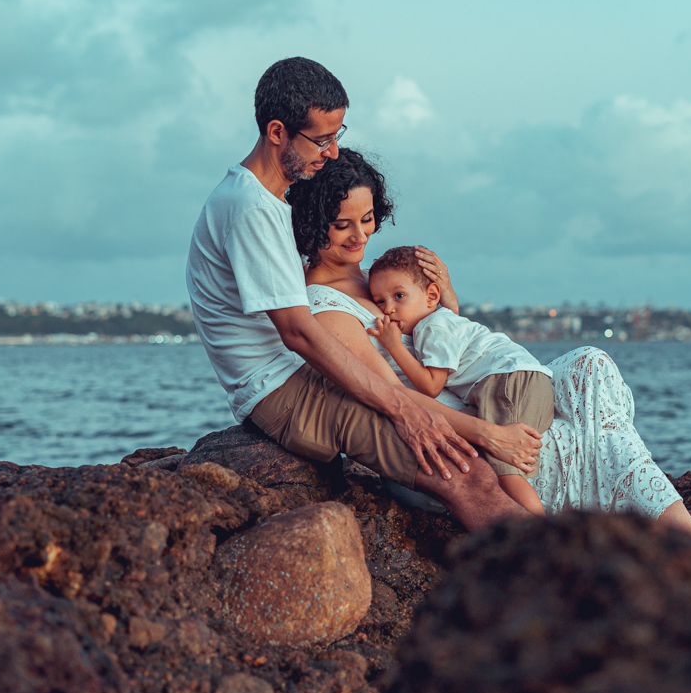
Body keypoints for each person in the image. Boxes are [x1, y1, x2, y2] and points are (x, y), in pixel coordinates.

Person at [286, 148, 691, 553]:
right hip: (453, 446)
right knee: (601, 440)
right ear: (310, 223)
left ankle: (661, 533)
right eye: (342, 224)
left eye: (367, 218)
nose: (359, 235)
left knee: (591, 364)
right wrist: (492, 436)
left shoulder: (379, 280)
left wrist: (448, 304)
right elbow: (389, 401)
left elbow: (448, 347)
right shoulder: (326, 309)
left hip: (481, 407)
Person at [185, 57, 540, 531]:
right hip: (283, 393)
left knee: (462, 458)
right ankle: (555, 586)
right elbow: (299, 334)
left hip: (299, 376)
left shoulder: (263, 201)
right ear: (276, 132)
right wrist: (404, 410)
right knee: (463, 473)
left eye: (338, 135)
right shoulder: (251, 208)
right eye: (322, 139)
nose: (332, 153)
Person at [365, 246, 554, 517]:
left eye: (399, 296)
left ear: (431, 295)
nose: (390, 309)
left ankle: (539, 529)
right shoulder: (443, 320)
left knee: (506, 472)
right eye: (380, 302)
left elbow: (431, 386)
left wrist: (394, 346)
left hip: (507, 382)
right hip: (527, 381)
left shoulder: (432, 327)